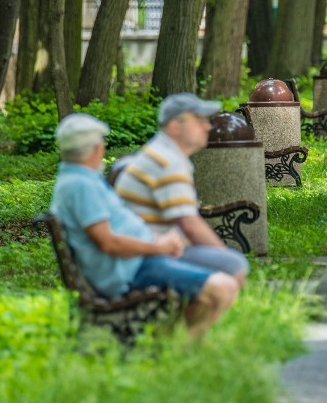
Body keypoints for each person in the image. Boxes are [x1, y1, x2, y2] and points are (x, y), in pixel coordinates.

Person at [50, 113, 238, 337]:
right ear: (96, 149)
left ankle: (170, 341)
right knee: (223, 288)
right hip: (130, 270)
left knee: (220, 270)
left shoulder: (80, 179)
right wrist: (159, 247)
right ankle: (182, 352)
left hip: (135, 261)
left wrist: (158, 242)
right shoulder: (81, 186)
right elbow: (108, 243)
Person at [114, 93, 250, 289]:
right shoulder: (168, 161)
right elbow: (190, 224)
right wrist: (223, 253)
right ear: (175, 127)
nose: (208, 126)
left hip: (145, 250)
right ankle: (193, 320)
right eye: (199, 120)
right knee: (234, 264)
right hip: (147, 257)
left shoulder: (161, 152)